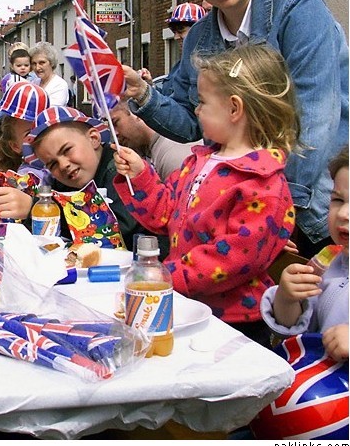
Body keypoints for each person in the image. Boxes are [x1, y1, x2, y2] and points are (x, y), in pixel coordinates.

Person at [123, 0, 348, 259]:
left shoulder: (298, 9)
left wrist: (278, 210)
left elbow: (315, 120)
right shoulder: (199, 38)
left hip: (310, 205)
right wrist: (142, 93)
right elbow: (191, 123)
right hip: (242, 213)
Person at [113, 44, 300, 346]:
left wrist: (166, 276)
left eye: (201, 102)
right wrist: (140, 175)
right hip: (187, 306)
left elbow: (233, 258)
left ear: (234, 109)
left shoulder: (263, 182)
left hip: (235, 323)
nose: (196, 110)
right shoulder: (199, 161)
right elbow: (164, 214)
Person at [13, 107, 146, 250]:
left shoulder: (121, 171)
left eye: (67, 150)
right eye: (52, 164)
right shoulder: (61, 186)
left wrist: (38, 209)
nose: (63, 165)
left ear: (94, 139)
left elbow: (121, 229)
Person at [260, 146, 348, 362]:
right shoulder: (330, 264)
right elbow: (293, 330)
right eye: (338, 200)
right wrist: (287, 299)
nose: (344, 213)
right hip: (315, 376)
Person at [0, 82, 51, 219]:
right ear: (15, 146)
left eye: (44, 130)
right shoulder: (25, 178)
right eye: (29, 134)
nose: (39, 137)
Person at [109, 100, 198, 181]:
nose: (114, 133)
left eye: (115, 123)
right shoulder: (148, 149)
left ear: (136, 112)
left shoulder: (172, 154)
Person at [29, 42, 69, 107]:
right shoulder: (34, 83)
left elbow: (51, 110)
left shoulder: (60, 85)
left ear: (51, 63)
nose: (37, 68)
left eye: (42, 63)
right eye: (34, 63)